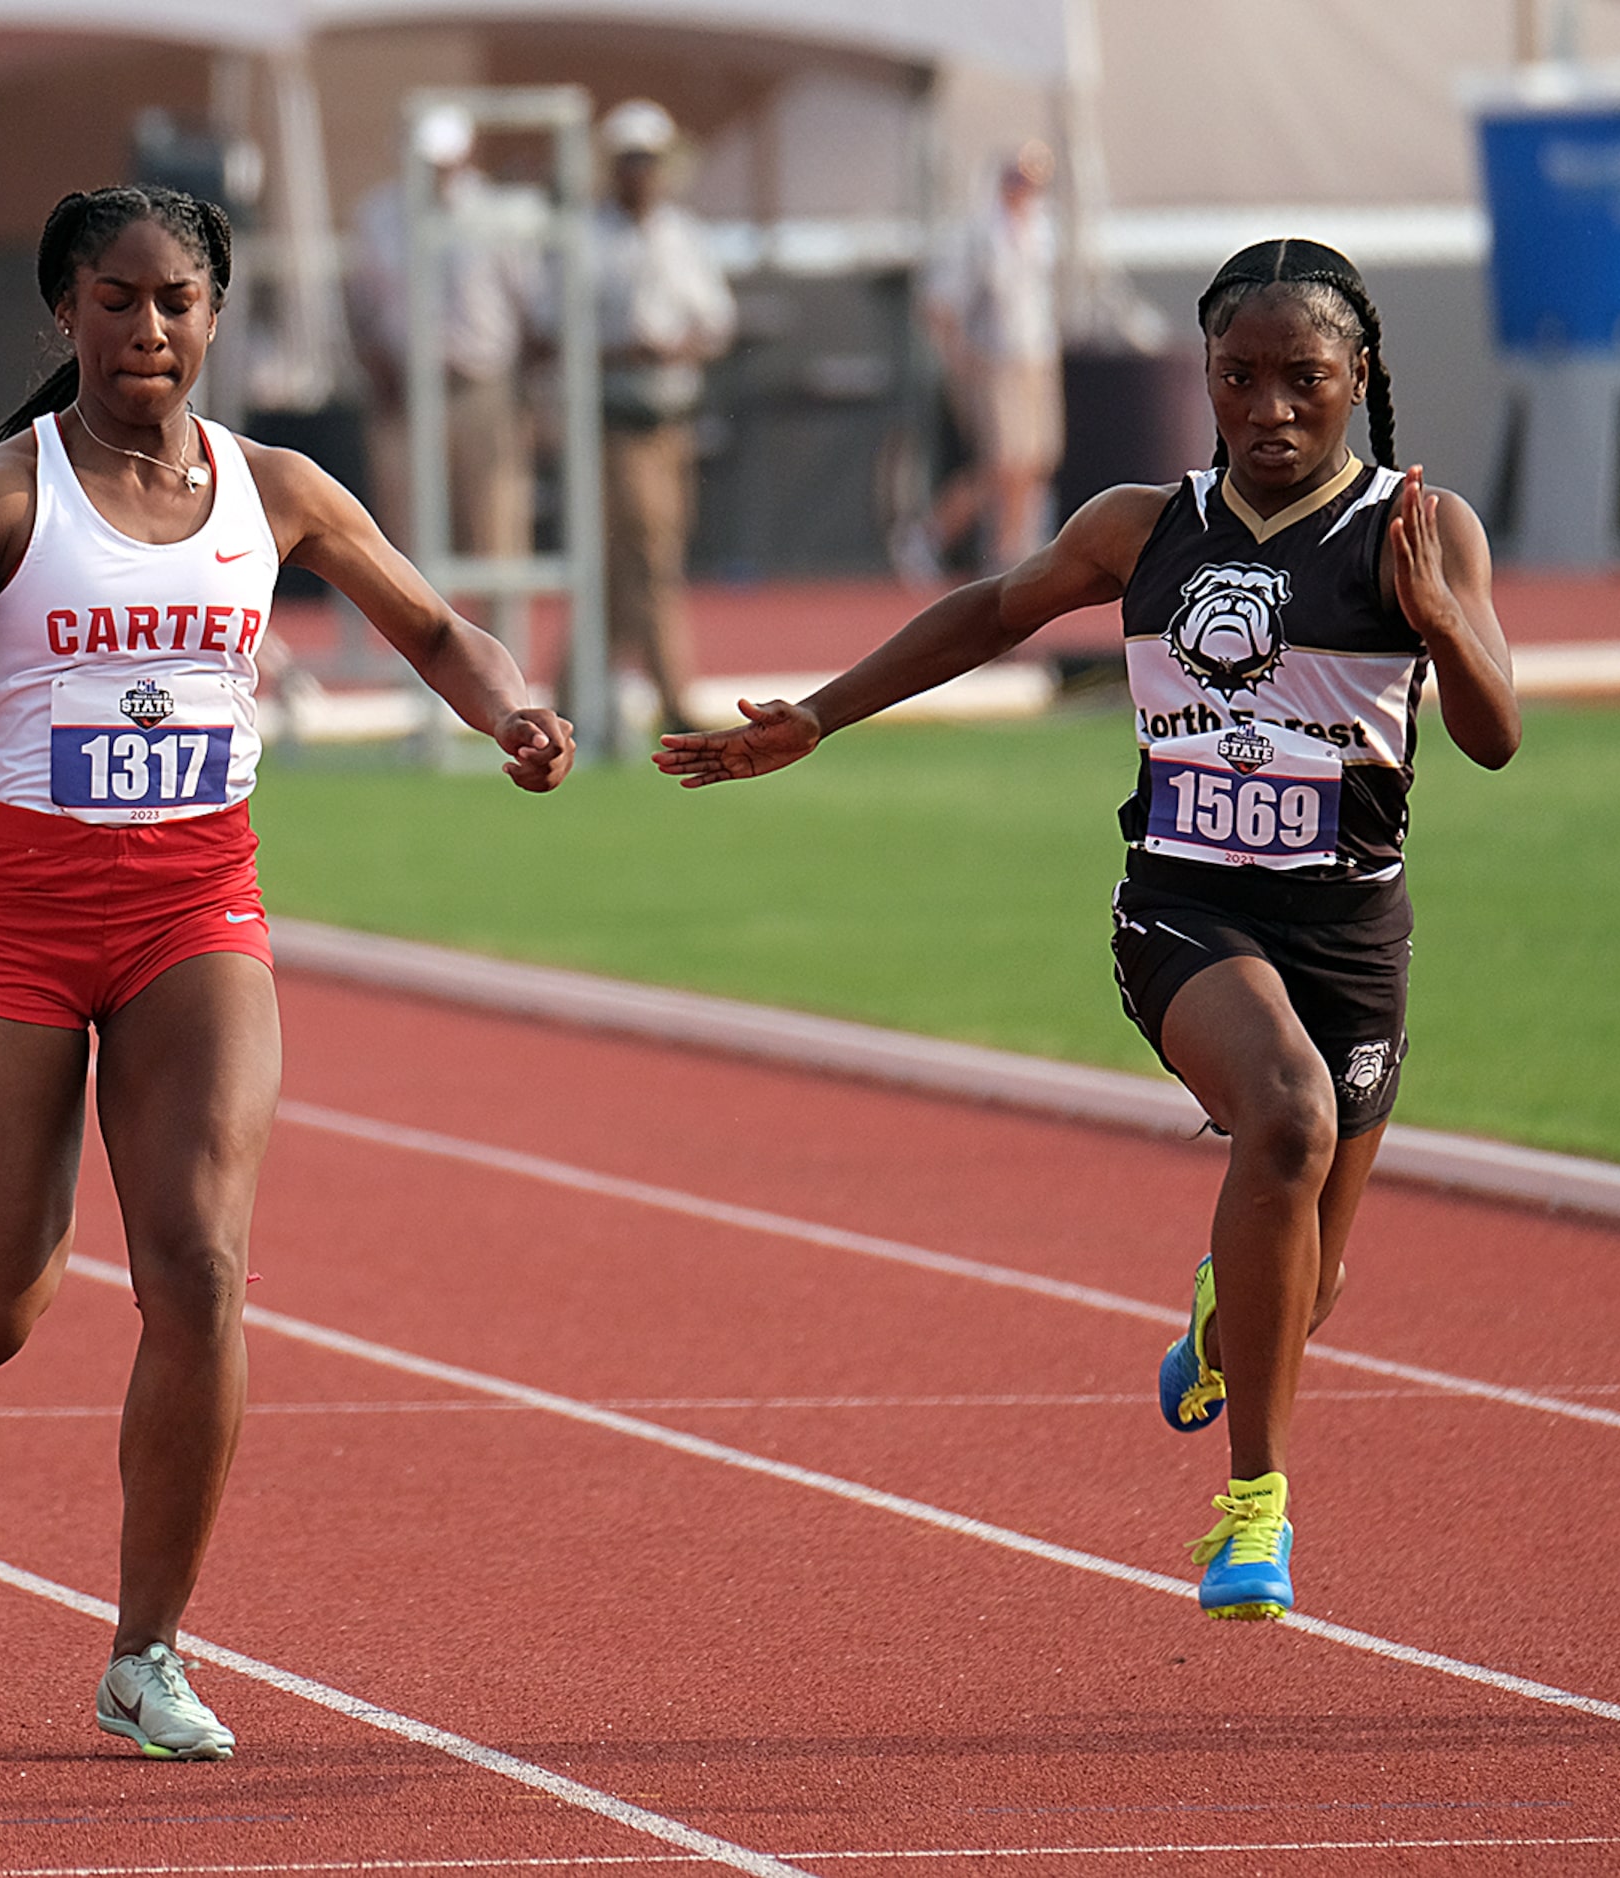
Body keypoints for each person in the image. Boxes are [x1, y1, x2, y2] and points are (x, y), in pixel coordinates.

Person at [656, 239, 1519, 1622]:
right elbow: (989, 612)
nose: (1270, 411)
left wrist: (1442, 627)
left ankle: (1221, 1318)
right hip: (1183, 907)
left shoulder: (1420, 527)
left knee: (1312, 1278)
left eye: (1303, 381)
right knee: (1284, 1118)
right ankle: (1253, 1509)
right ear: (1205, 379)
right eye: (1237, 379)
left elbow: (1491, 736)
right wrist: (817, 714)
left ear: (1359, 379)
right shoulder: (1139, 525)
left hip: (1350, 931)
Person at [0, 186, 572, 1756]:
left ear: (216, 316)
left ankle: (144, 1649)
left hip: (194, 913)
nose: (146, 329)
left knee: (202, 1266)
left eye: (174, 300)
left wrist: (509, 708)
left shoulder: (280, 489)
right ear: (65, 316)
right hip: (12, 918)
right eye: (114, 300)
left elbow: (437, 626)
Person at [589, 98, 735, 735]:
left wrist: (676, 347)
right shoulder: (587, 238)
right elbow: (551, 331)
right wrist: (625, 350)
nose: (641, 172)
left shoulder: (683, 234)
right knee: (647, 554)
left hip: (670, 415)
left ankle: (573, 689)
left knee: (631, 560)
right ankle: (674, 693)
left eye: (649, 160)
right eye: (631, 160)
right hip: (612, 415)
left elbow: (716, 324)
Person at [349, 104, 543, 581]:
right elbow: (361, 306)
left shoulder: (496, 214)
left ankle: (501, 649)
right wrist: (376, 368)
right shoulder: (378, 215)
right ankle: (419, 651)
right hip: (407, 387)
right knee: (406, 537)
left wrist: (522, 393)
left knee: (496, 530)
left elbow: (531, 305)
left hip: (481, 385)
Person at [917, 141, 1064, 576]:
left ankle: (1012, 553)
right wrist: (958, 354)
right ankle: (932, 533)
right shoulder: (979, 234)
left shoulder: (1041, 230)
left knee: (1033, 463)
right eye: (1019, 179)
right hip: (995, 360)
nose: (1026, 190)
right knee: (1002, 464)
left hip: (1036, 356)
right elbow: (941, 303)